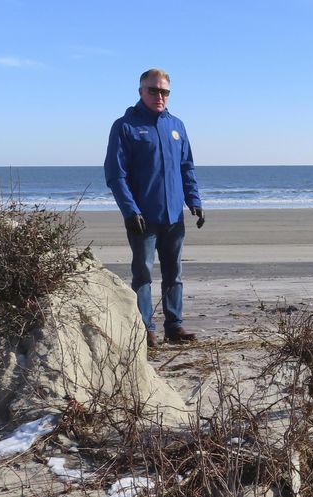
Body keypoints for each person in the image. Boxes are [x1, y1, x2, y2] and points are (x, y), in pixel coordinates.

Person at [105, 68, 205, 346]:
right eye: (153, 90)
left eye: (164, 91)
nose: (159, 96)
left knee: (175, 272)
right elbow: (115, 174)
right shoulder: (125, 126)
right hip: (143, 217)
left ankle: (174, 326)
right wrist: (129, 210)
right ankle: (145, 328)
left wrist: (193, 200)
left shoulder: (177, 126)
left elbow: (187, 167)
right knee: (144, 273)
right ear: (141, 92)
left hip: (174, 215)